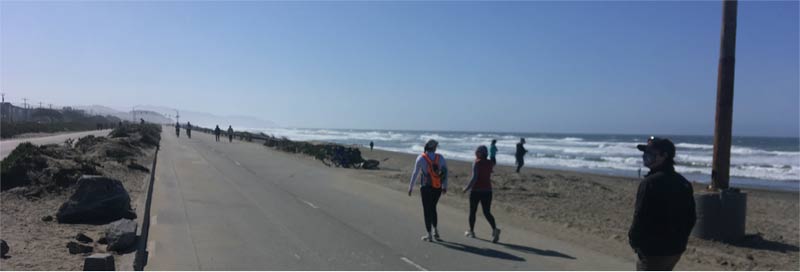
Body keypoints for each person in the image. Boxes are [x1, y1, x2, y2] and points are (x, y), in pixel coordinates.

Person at [629, 137, 696, 271]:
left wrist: (634, 241)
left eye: (650, 153)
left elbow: (640, 216)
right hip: (675, 249)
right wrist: (681, 240)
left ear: (664, 156)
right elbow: (691, 217)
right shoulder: (683, 183)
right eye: (645, 152)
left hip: (653, 251)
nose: (645, 156)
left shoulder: (649, 183)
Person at [408, 139, 448, 242]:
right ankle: (435, 231)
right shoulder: (440, 158)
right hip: (437, 187)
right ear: (434, 147)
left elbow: (415, 173)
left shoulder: (421, 158)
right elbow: (445, 173)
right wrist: (444, 186)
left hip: (426, 187)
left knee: (427, 210)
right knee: (433, 208)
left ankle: (429, 234)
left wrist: (410, 187)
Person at [462, 145, 501, 243]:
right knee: (487, 212)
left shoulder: (476, 162)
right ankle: (495, 229)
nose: (475, 153)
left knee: (473, 211)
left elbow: (474, 178)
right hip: (488, 190)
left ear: (481, 153)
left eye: (477, 151)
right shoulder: (490, 163)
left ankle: (471, 231)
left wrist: (467, 188)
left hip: (476, 191)